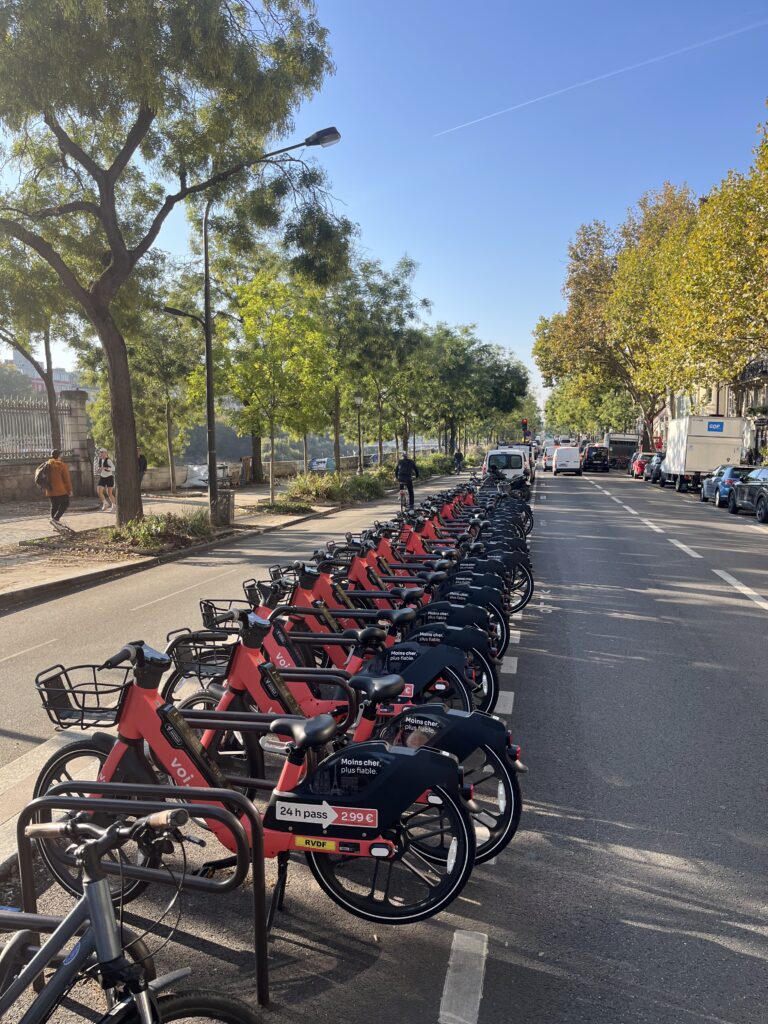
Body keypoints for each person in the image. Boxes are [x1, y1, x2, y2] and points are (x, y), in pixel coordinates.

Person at [43, 449, 73, 526]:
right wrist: (69, 490)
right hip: (60, 490)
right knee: (65, 503)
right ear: (59, 456)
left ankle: (54, 523)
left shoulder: (47, 464)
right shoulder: (61, 465)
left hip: (50, 490)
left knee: (54, 505)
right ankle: (56, 519)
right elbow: (66, 479)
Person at [94, 447, 116, 511]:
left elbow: (113, 468)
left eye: (102, 452)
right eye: (100, 452)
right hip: (102, 477)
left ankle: (114, 506)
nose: (100, 453)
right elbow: (101, 468)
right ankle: (105, 503)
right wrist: (99, 470)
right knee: (99, 491)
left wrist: (105, 468)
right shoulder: (100, 460)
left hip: (109, 477)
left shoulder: (108, 460)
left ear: (105, 453)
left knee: (109, 493)